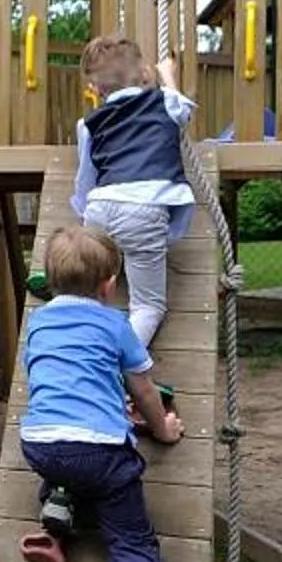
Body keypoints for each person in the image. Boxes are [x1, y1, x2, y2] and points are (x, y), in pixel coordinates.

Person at [15, 223, 187, 562]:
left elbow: (55, 377)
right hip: (102, 454)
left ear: (50, 280)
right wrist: (164, 429)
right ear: (110, 285)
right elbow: (147, 391)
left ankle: (59, 500)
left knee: (69, 459)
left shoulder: (39, 324)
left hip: (40, 444)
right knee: (132, 542)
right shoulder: (116, 326)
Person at [72, 35, 198, 350]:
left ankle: (80, 340)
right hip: (143, 207)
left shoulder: (88, 124)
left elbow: (86, 178)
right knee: (148, 306)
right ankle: (114, 367)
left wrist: (83, 214)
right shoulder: (164, 102)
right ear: (145, 75)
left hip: (99, 209)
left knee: (90, 295)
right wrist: (167, 73)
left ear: (97, 90)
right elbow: (184, 109)